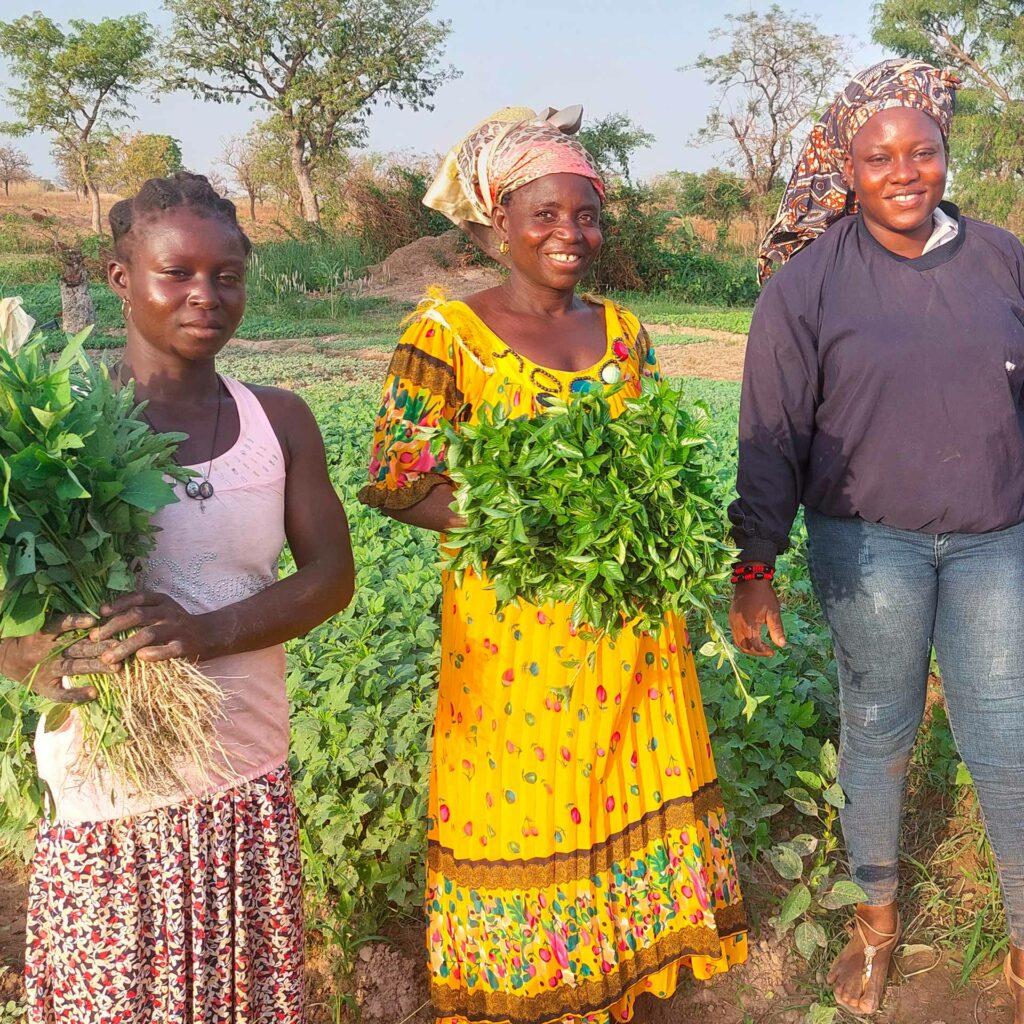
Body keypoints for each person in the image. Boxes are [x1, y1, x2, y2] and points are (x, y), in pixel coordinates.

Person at [359, 106, 747, 1024]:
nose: (570, 233)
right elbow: (393, 481)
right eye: (545, 214)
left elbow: (654, 463)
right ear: (498, 224)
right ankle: (538, 991)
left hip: (629, 626)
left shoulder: (625, 333)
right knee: (530, 805)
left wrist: (642, 521)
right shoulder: (447, 336)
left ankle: (617, 979)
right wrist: (535, 524)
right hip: (515, 635)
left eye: (587, 215)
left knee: (623, 787)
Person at [0, 172, 355, 1024]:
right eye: (178, 274)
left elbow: (330, 579)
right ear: (122, 280)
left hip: (245, 774)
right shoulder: (53, 424)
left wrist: (204, 634)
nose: (206, 296)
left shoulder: (281, 420)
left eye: (226, 276)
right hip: (111, 795)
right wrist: (32, 661)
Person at [729, 59, 1024, 1019]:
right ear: (844, 168)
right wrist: (755, 563)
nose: (905, 172)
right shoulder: (807, 286)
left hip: (995, 539)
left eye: (923, 152)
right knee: (879, 733)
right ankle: (877, 926)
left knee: (1007, 736)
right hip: (868, 547)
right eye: (879, 157)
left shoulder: (1003, 259)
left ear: (946, 156)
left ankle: (1023, 943)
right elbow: (770, 433)